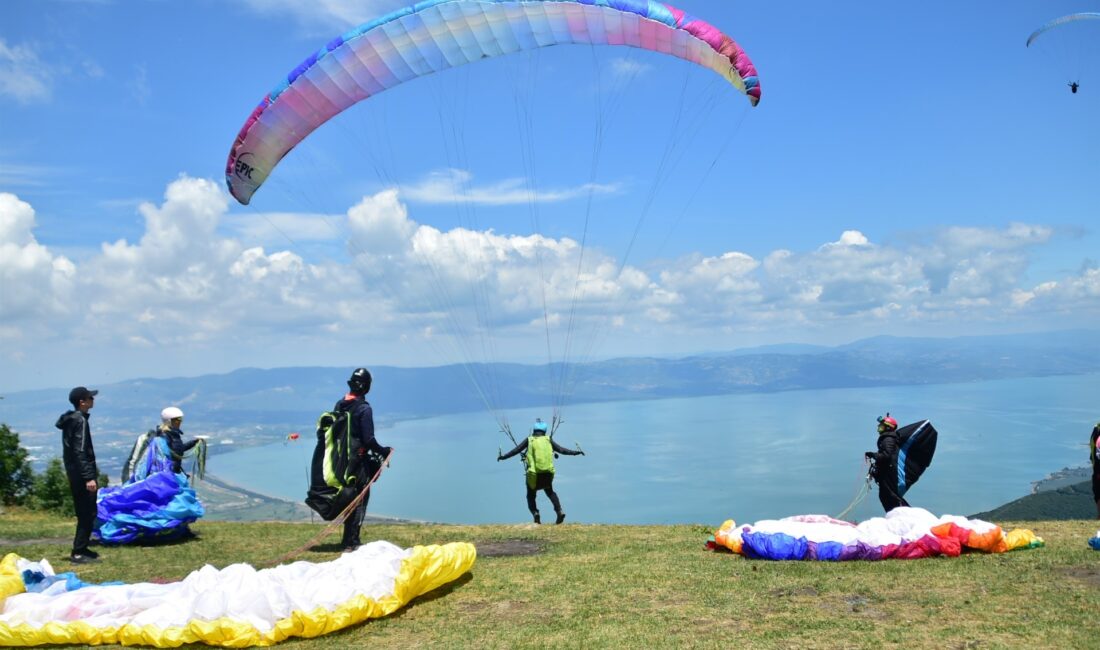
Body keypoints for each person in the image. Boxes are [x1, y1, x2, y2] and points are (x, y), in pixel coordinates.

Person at [334, 367, 391, 552]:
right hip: (357, 463)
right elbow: (368, 439)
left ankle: (347, 539)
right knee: (360, 499)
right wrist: (384, 451)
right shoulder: (364, 409)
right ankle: (352, 542)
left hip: (340, 462)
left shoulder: (339, 405)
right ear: (366, 387)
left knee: (349, 497)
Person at [498, 418, 584, 524]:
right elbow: (562, 450)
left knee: (530, 495)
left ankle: (535, 513)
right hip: (548, 474)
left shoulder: (529, 440)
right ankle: (559, 511)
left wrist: (503, 457)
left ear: (534, 430)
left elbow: (516, 450)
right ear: (544, 431)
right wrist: (576, 452)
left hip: (534, 475)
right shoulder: (548, 439)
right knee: (550, 492)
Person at [56, 386, 101, 564]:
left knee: (87, 511)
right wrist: (89, 477)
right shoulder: (80, 421)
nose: (93, 400)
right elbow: (80, 450)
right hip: (82, 474)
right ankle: (77, 552)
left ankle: (82, 548)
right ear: (82, 402)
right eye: (90, 398)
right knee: (86, 512)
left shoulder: (72, 419)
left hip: (74, 472)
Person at [865, 413, 910, 513]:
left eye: (881, 426)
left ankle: (905, 516)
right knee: (887, 496)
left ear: (888, 428)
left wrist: (874, 455)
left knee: (890, 497)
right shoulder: (888, 438)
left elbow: (887, 455)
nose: (878, 427)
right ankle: (900, 516)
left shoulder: (888, 439)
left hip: (888, 474)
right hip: (886, 474)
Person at [157, 407, 199, 474]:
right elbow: (167, 455)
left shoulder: (174, 434)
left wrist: (194, 442)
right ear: (169, 421)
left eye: (181, 419)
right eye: (177, 419)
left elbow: (179, 449)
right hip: (169, 473)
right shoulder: (164, 436)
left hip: (174, 471)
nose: (180, 422)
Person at [1090, 422, 1100, 519]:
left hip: (1097, 467)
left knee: (1098, 491)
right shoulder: (1097, 429)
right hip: (1097, 467)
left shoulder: (1096, 429)